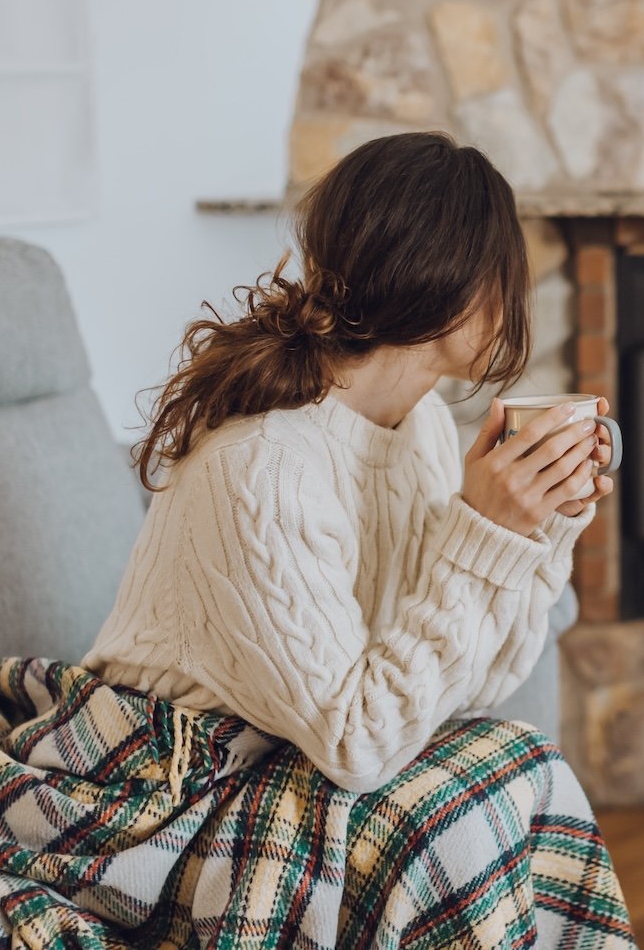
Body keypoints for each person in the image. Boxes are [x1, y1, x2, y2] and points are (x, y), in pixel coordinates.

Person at [81, 130, 614, 795]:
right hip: (167, 771)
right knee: (494, 790)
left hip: (291, 751)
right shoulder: (265, 468)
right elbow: (357, 745)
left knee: (516, 760)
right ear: (448, 282)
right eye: (506, 270)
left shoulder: (422, 427)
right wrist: (484, 533)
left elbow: (477, 685)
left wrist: (540, 525)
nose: (515, 298)